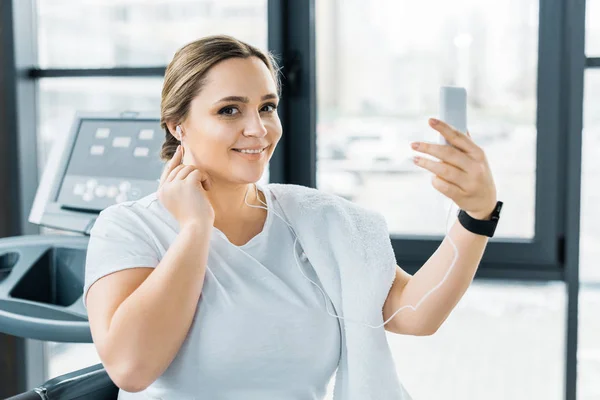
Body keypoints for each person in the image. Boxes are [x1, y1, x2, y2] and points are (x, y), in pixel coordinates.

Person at [84, 35, 498, 400]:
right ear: (178, 126)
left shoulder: (318, 221)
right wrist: (195, 228)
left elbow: (414, 313)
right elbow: (131, 369)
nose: (258, 129)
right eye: (230, 110)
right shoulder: (128, 228)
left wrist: (477, 214)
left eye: (267, 107)